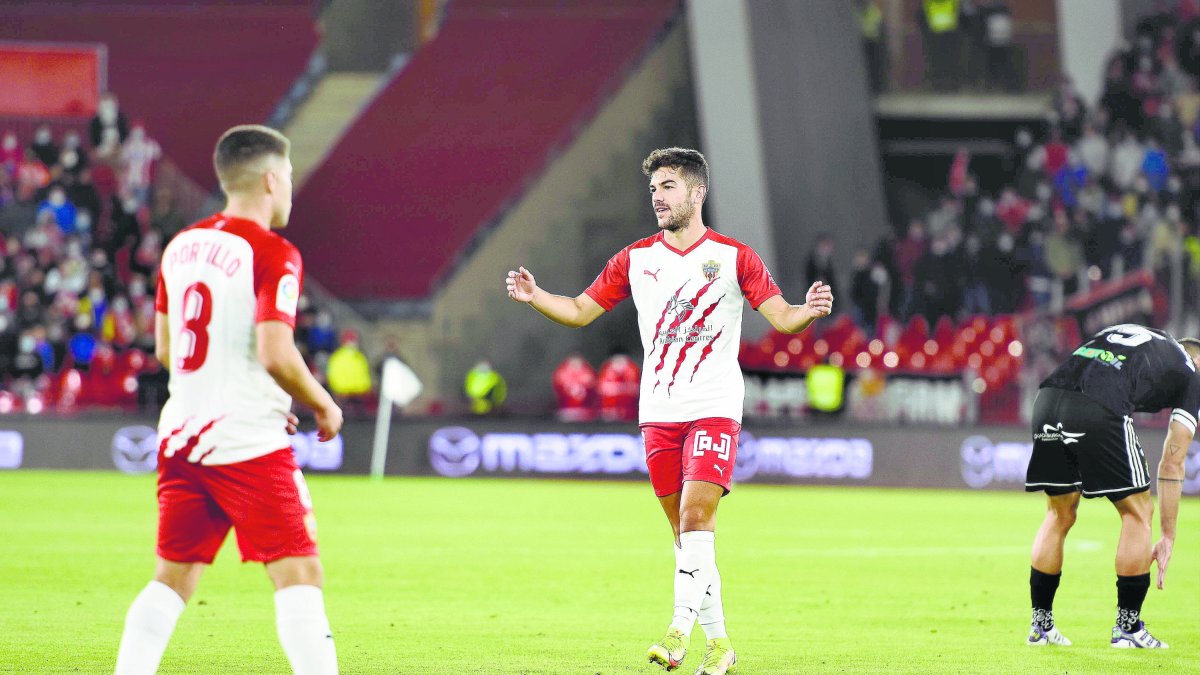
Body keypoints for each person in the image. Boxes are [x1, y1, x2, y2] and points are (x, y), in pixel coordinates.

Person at [505, 147, 832, 675]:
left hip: (715, 407)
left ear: (697, 192)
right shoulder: (635, 259)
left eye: (668, 186)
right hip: (658, 410)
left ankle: (677, 632)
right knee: (687, 540)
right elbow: (580, 311)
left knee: (697, 516)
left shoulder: (733, 256)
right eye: (654, 188)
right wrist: (537, 295)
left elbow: (781, 317)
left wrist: (806, 310)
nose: (657, 196)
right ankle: (721, 643)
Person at [114, 125, 342, 675]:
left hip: (182, 440)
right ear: (270, 178)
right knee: (299, 577)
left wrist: (255, 393)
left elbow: (169, 349)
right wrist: (323, 404)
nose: (289, 189)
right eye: (287, 178)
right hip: (247, 445)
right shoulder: (273, 252)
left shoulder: (180, 245)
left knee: (171, 580)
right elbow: (276, 353)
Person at [1024, 324, 1198, 649]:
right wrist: (1169, 535)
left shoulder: (1146, 335)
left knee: (1058, 514)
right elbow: (1173, 461)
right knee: (1139, 511)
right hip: (1099, 405)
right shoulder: (1192, 372)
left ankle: (1041, 626)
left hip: (1047, 398)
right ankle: (1128, 629)